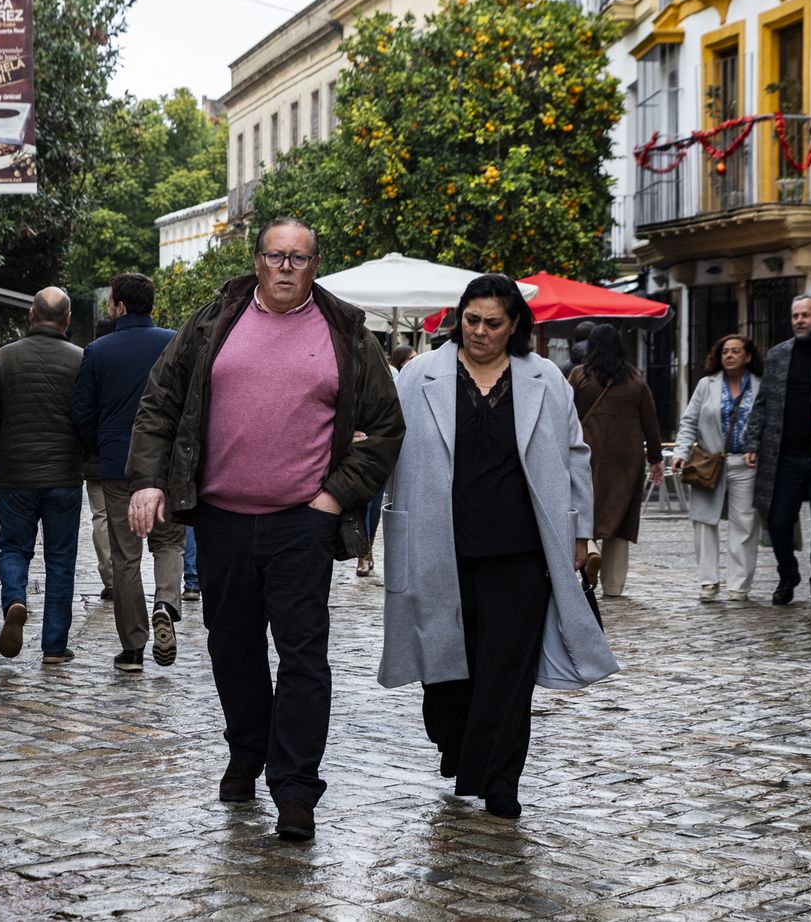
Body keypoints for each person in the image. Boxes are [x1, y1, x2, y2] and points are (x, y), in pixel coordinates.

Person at [126, 218, 404, 841]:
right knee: (234, 649)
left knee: (304, 655)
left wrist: (335, 497)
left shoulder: (347, 334)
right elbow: (160, 403)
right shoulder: (212, 322)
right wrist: (148, 479)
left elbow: (386, 429)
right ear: (257, 262)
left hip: (302, 523)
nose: (285, 267)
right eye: (275, 256)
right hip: (221, 520)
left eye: (298, 258)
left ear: (314, 266)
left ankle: (296, 787)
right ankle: (247, 751)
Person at [380, 274, 617, 820]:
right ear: (457, 318)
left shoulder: (546, 381)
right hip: (440, 543)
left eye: (493, 323)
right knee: (448, 673)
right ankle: (458, 746)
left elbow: (575, 454)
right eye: (471, 320)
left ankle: (502, 778)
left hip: (523, 548)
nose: (480, 332)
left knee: (508, 669)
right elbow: (385, 441)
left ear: (515, 326)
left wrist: (580, 533)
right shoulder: (420, 374)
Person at [73, 273, 187, 671]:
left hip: (118, 464)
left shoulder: (98, 350)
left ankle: (134, 647)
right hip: (168, 465)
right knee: (169, 542)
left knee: (126, 556)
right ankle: (166, 604)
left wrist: (99, 445)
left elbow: (82, 412)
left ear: (119, 306)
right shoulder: (174, 342)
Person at [0, 287, 88, 665]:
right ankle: (54, 646)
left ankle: (16, 600)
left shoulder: (4, 358)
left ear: (30, 314)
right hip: (65, 475)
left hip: (17, 475)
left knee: (13, 548)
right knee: (60, 560)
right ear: (68, 319)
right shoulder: (80, 360)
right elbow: (87, 418)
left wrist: (3, 451)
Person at [742, 294, 811, 612]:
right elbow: (762, 405)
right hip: (782, 455)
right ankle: (787, 576)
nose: (799, 321)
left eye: (805, 315)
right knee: (777, 523)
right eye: (795, 316)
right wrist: (752, 443)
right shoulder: (778, 355)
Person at [569, 325, 663, 598]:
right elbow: (651, 421)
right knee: (620, 518)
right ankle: (613, 585)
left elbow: (563, 413)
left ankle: (590, 553)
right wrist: (656, 459)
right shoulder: (636, 380)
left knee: (586, 505)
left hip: (587, 453)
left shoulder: (580, 376)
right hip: (627, 458)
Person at [673, 334, 763, 601]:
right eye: (725, 351)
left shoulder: (760, 386)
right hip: (707, 463)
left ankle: (739, 585)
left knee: (744, 524)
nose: (729, 355)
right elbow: (689, 421)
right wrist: (680, 452)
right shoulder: (706, 385)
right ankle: (708, 581)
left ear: (747, 356)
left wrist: (758, 449)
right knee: (704, 521)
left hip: (746, 465)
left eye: (736, 351)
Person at [357, 344, 420, 580]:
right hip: (359, 445)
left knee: (373, 503)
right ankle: (363, 550)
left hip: (383, 446)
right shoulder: (349, 369)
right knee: (362, 503)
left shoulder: (395, 375)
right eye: (409, 359)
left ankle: (366, 550)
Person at [85, 316, 117, 600]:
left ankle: (111, 577)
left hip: (97, 455)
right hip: (128, 452)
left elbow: (82, 409)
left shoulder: (91, 358)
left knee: (102, 517)